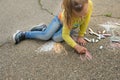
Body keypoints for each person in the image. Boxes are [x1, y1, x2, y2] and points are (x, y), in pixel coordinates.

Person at [13, 0, 93, 54]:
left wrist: (81, 35)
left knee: (55, 38)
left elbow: (85, 21)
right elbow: (65, 35)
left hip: (69, 26)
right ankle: (25, 34)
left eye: (85, 12)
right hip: (59, 21)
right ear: (72, 13)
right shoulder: (68, 16)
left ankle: (45, 29)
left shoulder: (88, 4)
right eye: (80, 15)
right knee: (46, 36)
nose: (84, 16)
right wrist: (76, 46)